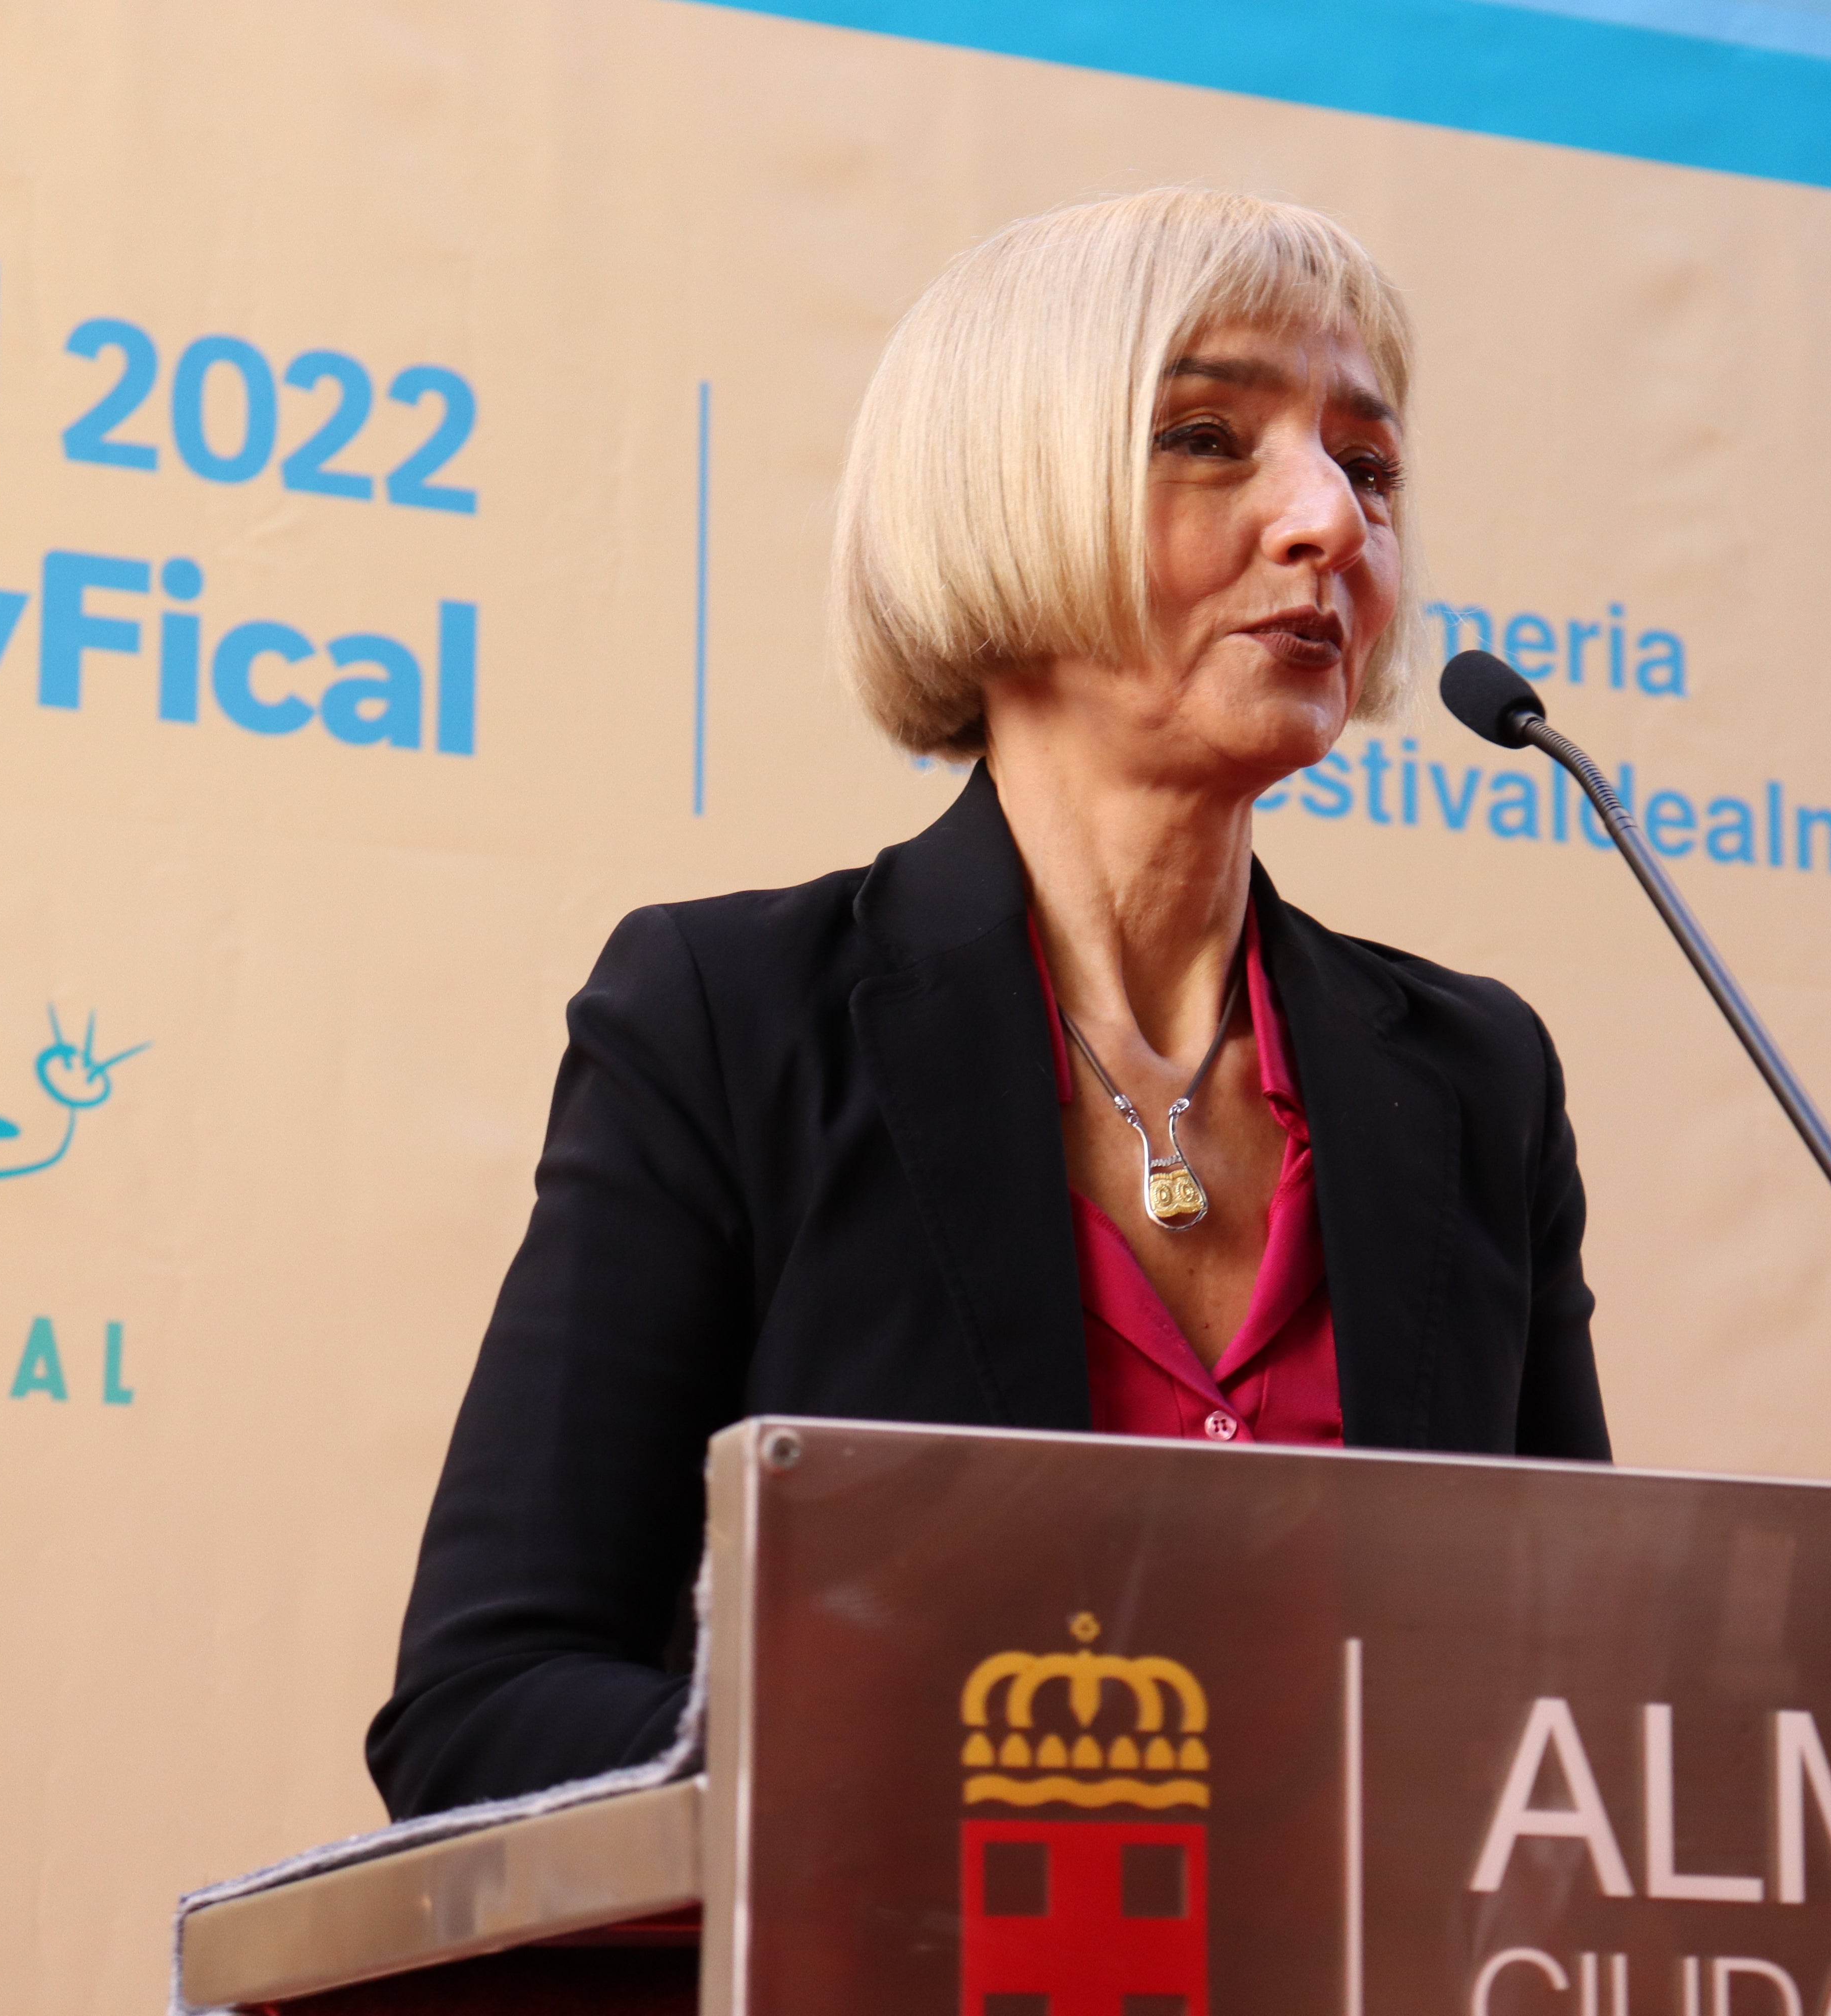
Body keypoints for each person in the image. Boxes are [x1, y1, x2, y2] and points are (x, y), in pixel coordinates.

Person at [367, 188, 1609, 1821]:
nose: (1329, 522)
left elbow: (1596, 1704)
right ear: (1005, 490)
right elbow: (490, 1703)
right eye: (1211, 439)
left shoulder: (1472, 1080)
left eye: (1366, 466)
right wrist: (993, 1782)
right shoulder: (729, 1021)